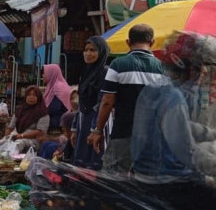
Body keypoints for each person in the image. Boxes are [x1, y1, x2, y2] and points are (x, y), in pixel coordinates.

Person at [131, 31, 216, 210]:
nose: (204, 73)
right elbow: (188, 154)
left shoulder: (156, 89)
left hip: (146, 176)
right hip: (168, 183)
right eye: (202, 66)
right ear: (189, 67)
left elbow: (182, 126)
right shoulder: (173, 97)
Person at [88, 24, 165, 173]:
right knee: (145, 181)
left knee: (114, 181)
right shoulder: (162, 68)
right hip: (152, 136)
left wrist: (97, 131)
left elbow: (107, 101)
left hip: (124, 133)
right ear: (152, 42)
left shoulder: (118, 65)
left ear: (128, 42)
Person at [72, 36, 110, 169]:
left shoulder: (105, 73)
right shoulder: (85, 72)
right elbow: (82, 102)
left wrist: (96, 129)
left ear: (101, 52)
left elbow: (103, 102)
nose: (88, 53)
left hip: (98, 121)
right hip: (84, 121)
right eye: (86, 50)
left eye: (93, 50)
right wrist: (75, 127)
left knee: (94, 159)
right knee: (81, 159)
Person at [4, 85, 49, 153]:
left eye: (34, 95)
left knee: (17, 145)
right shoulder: (20, 110)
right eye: (29, 95)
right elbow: (10, 127)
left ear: (38, 97)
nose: (31, 97)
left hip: (32, 140)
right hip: (16, 136)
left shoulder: (42, 113)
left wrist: (22, 136)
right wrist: (5, 139)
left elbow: (40, 132)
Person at [42, 64, 71, 130]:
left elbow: (53, 108)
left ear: (51, 74)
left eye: (44, 73)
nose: (43, 76)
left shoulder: (57, 87)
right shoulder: (54, 86)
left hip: (57, 123)